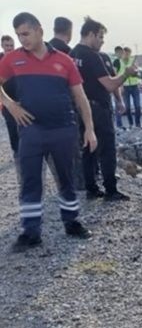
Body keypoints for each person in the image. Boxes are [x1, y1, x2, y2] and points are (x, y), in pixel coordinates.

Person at [0, 12, 96, 251]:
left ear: (39, 31)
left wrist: (90, 129)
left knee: (66, 178)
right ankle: (30, 233)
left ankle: (72, 223)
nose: (22, 39)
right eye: (19, 35)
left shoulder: (64, 60)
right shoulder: (13, 59)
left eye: (26, 33)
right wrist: (10, 104)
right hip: (31, 131)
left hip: (63, 129)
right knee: (30, 181)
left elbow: (80, 97)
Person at [70, 16, 134, 201]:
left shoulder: (72, 54)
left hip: (80, 109)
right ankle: (111, 189)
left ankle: (91, 188)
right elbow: (110, 84)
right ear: (90, 34)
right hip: (98, 108)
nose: (102, 41)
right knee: (106, 149)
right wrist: (127, 73)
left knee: (88, 148)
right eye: (100, 37)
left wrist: (119, 100)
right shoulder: (91, 56)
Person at [0, 35, 19, 156]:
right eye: (7, 46)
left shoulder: (18, 59)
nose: (9, 48)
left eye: (11, 45)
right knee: (11, 125)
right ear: (2, 46)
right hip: (6, 100)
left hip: (20, 98)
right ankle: (16, 150)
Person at [121, 47, 141, 128]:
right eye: (125, 53)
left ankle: (138, 124)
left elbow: (137, 71)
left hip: (134, 85)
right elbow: (118, 73)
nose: (127, 55)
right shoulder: (120, 62)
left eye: (128, 53)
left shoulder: (133, 61)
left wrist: (134, 70)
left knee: (137, 106)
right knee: (127, 107)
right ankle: (130, 124)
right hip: (125, 86)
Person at [111, 46, 125, 129]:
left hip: (120, 84)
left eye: (122, 52)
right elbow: (115, 74)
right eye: (120, 53)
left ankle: (120, 124)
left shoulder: (121, 61)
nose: (122, 54)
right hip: (117, 85)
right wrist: (119, 85)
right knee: (118, 105)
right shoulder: (116, 61)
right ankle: (119, 125)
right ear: (116, 52)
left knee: (119, 105)